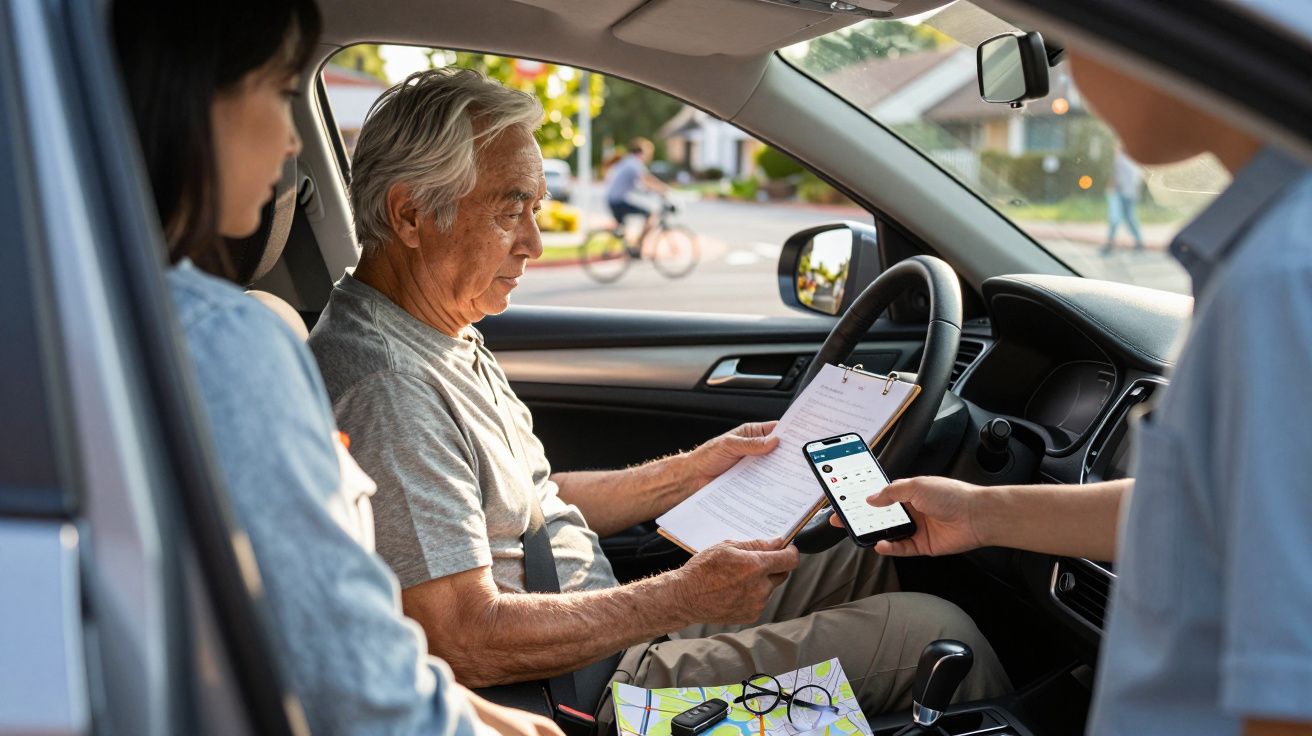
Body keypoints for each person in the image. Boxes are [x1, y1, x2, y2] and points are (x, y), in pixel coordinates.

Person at [308, 67, 1011, 722]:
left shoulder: (434, 327)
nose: (534, 243)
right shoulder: (388, 388)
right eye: (508, 209)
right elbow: (462, 638)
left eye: (537, 206)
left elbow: (526, 507)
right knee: (942, 636)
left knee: (867, 548)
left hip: (599, 627)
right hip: (601, 700)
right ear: (408, 216)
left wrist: (691, 471)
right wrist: (675, 596)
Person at [114, 3, 561, 734]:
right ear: (191, 108)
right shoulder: (228, 338)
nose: (294, 140)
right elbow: (352, 686)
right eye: (278, 92)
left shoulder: (132, 323)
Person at [838, 48, 1312, 736]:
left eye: (1078, 39)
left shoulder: (1279, 279)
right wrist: (982, 512)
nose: (1074, 75)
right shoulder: (1272, 257)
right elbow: (1205, 507)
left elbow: (1292, 695)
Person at [603, 137, 671, 239]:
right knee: (650, 215)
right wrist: (663, 189)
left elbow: (641, 185)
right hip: (618, 201)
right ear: (642, 153)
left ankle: (626, 244)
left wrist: (652, 190)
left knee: (621, 230)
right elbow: (647, 179)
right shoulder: (634, 163)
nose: (648, 157)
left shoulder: (629, 161)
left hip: (614, 199)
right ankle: (638, 246)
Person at [1101, 143, 1145, 254]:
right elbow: (1116, 175)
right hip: (1118, 193)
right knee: (1115, 218)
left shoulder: (1134, 160)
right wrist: (1110, 189)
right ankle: (1110, 243)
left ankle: (1139, 241)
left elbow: (1136, 179)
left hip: (1129, 194)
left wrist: (1136, 193)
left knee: (1129, 218)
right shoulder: (1121, 158)